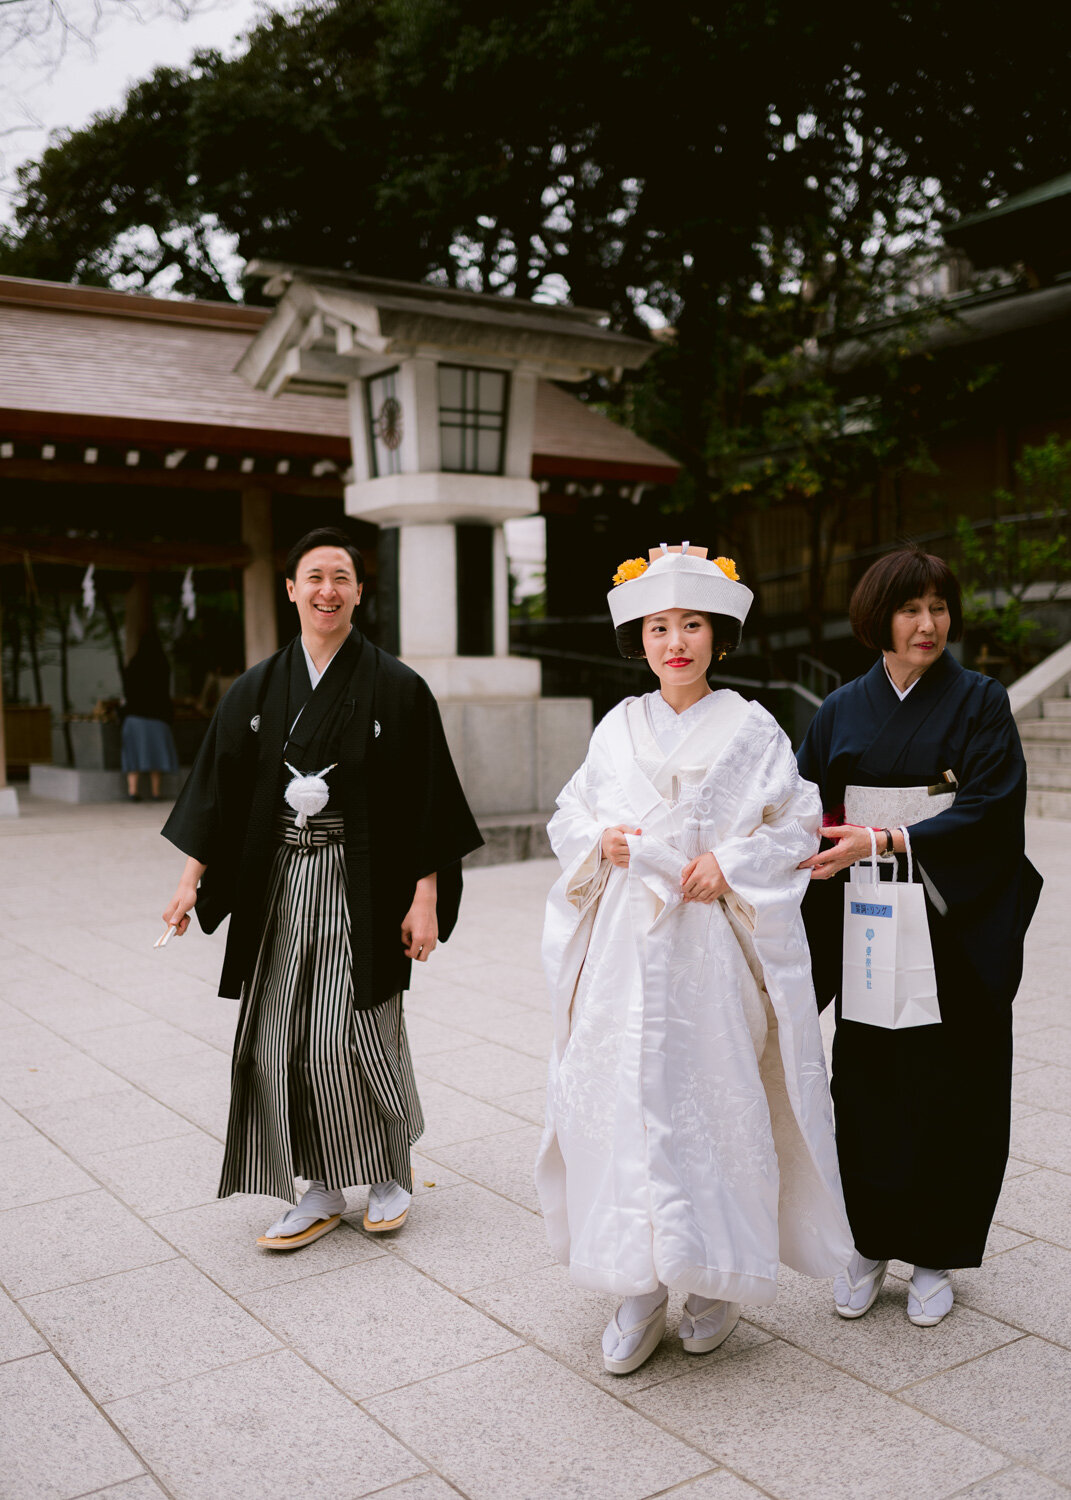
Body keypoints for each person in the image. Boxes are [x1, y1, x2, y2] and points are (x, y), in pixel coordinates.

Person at [536, 543, 853, 1376]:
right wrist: (597, 841)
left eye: (691, 625)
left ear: (717, 636)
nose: (674, 641)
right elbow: (569, 814)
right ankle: (634, 1284)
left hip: (707, 942)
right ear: (638, 639)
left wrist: (734, 864)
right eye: (657, 627)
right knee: (616, 1101)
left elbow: (795, 819)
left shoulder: (751, 728)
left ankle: (711, 1279)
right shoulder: (616, 727)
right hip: (623, 948)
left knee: (716, 1095)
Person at [159, 527, 483, 1248]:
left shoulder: (397, 687)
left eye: (341, 577)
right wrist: (190, 883)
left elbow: (426, 801)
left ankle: (390, 1172)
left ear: (359, 591)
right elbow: (218, 788)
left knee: (358, 1031)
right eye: (314, 576)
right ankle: (322, 1187)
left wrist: (424, 898)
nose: (327, 590)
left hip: (362, 881)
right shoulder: (259, 686)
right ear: (291, 589)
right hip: (280, 880)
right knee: (281, 1036)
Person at [797, 546, 1042, 1326]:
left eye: (937, 608)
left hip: (950, 923)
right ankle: (867, 1245)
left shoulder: (980, 700)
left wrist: (885, 839)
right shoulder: (838, 710)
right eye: (909, 609)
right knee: (866, 1084)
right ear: (877, 618)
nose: (926, 624)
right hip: (866, 923)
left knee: (953, 1088)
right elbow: (800, 809)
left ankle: (936, 1252)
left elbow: (993, 810)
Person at [121, 629, 179, 802]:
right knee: (157, 754)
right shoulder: (162, 664)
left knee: (133, 755)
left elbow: (127, 691)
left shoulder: (133, 664)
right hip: (157, 718)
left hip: (134, 718)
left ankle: (133, 791)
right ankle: (156, 792)